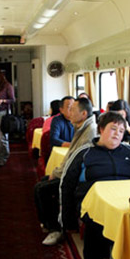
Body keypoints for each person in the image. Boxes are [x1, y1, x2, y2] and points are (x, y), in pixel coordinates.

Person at [60, 112, 130, 259]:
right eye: (113, 129)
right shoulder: (84, 153)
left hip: (127, 202)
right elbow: (66, 184)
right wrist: (67, 218)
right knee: (95, 224)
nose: (117, 134)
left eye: (121, 131)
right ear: (101, 129)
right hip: (94, 203)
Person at [34, 97, 97, 246]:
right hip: (71, 171)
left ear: (83, 114)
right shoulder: (80, 127)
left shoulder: (89, 132)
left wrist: (55, 174)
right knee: (40, 185)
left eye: (72, 110)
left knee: (42, 189)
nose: (69, 112)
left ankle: (56, 229)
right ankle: (49, 222)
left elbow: (74, 162)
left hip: (78, 177)